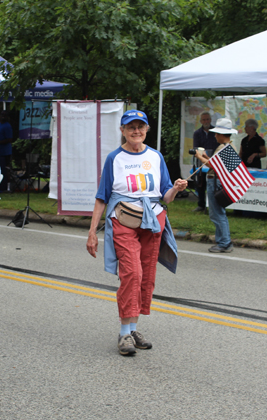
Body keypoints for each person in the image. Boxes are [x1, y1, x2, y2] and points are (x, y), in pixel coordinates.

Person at [86, 110, 187, 357]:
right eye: (130, 127)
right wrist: (92, 232)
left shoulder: (155, 156)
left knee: (146, 276)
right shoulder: (114, 158)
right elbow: (102, 197)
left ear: (146, 129)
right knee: (132, 272)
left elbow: (165, 196)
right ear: (122, 130)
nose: (136, 131)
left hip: (153, 222)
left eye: (140, 127)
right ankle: (123, 333)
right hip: (123, 220)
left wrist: (175, 189)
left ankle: (133, 329)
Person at [195, 118, 238, 253]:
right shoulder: (230, 146)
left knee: (217, 213)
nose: (215, 136)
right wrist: (207, 157)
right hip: (220, 181)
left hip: (216, 181)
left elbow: (212, 165)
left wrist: (199, 156)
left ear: (220, 134)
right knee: (219, 213)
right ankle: (223, 241)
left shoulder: (223, 147)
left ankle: (224, 242)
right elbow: (216, 162)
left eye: (216, 133)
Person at [192, 112, 219, 211]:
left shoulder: (215, 132)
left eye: (207, 119)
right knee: (201, 183)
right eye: (204, 120)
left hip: (214, 161)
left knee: (213, 183)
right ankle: (201, 204)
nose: (206, 121)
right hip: (202, 161)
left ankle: (212, 205)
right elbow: (196, 147)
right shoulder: (197, 133)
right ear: (200, 121)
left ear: (210, 120)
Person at [0, 110, 13, 192]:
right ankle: (0, 186)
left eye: (4, 115)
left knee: (5, 169)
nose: (3, 116)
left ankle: (6, 187)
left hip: (5, 152)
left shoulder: (7, 126)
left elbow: (9, 139)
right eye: (1, 115)